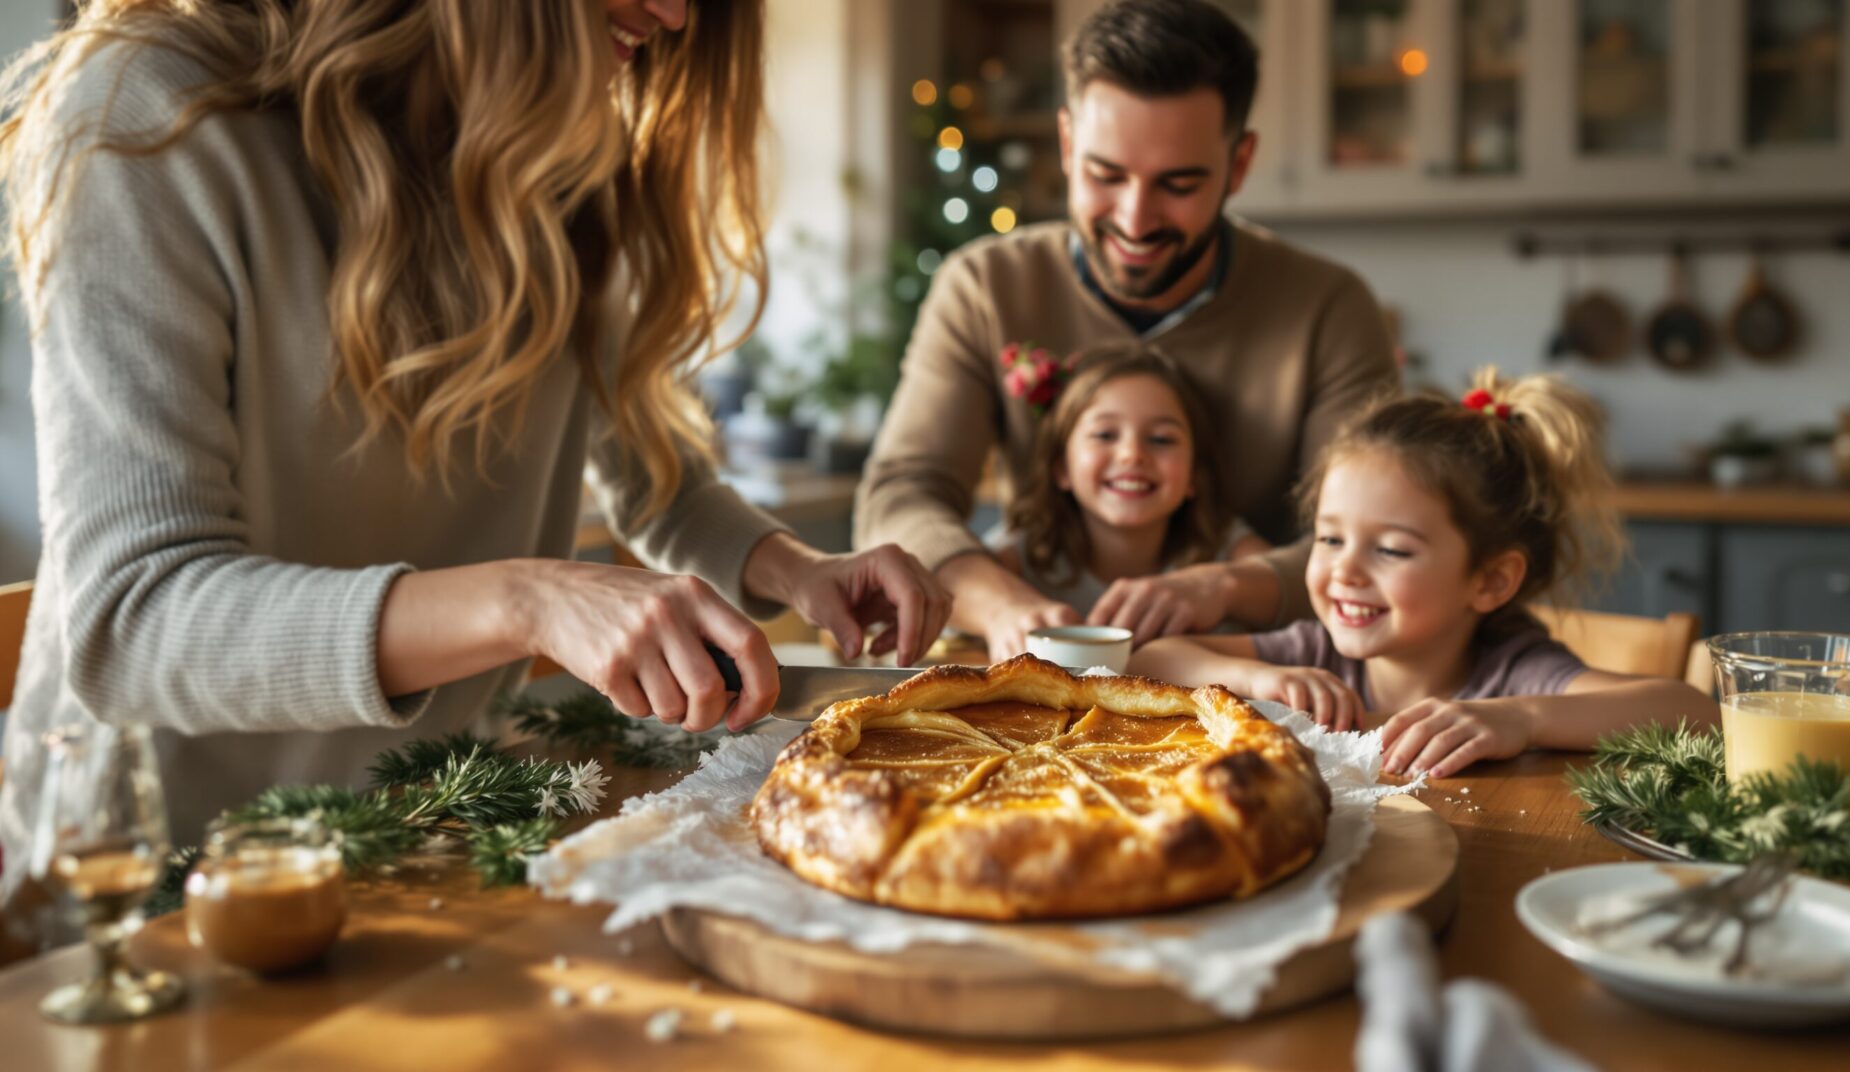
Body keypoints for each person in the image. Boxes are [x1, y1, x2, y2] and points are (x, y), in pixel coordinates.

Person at [0, 0, 949, 902]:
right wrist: (528, 600)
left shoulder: (554, 146)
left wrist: (797, 567)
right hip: (155, 882)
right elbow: (130, 620)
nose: (675, 15)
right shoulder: (146, 115)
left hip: (427, 834)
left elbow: (658, 479)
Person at [856, 0, 1398, 662]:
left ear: (1240, 163)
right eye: (1104, 175)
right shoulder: (985, 286)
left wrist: (1225, 585)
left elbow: (1377, 539)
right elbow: (900, 494)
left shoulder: (1329, 307)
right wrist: (999, 601)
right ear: (1065, 143)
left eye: (1179, 184)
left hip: (1255, 675)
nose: (1136, 220)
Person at [1129, 369, 1718, 779]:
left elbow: (1699, 715)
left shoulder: (1514, 674)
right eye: (1330, 538)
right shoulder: (1310, 654)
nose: (1345, 571)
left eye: (1391, 550)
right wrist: (1253, 679)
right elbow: (1151, 660)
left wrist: (1522, 717)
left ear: (1489, 581)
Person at [991, 342, 1268, 618]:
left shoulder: (1225, 547)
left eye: (1161, 439)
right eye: (1105, 435)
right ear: (1061, 466)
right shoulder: (1020, 554)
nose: (1132, 454)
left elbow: (1297, 591)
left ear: (1194, 473)